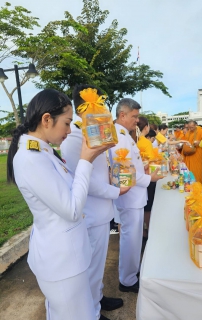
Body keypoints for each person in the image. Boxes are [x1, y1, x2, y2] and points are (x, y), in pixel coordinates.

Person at [7, 89, 112, 320]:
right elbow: (73, 210)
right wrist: (86, 160)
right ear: (46, 119)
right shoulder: (30, 158)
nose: (70, 129)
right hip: (61, 261)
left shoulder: (43, 151)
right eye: (67, 123)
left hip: (68, 257)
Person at [60, 84, 126, 320]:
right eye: (95, 104)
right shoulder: (74, 138)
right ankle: (92, 312)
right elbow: (84, 181)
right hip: (91, 213)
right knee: (90, 268)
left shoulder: (96, 132)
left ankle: (97, 298)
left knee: (97, 267)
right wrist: (115, 192)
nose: (99, 108)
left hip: (102, 213)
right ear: (82, 108)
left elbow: (101, 171)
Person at [110, 98, 163, 293]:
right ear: (122, 115)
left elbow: (131, 165)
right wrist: (150, 178)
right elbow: (123, 171)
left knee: (133, 239)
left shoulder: (123, 134)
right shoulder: (119, 136)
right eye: (134, 116)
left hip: (133, 195)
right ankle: (128, 280)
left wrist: (143, 169)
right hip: (130, 196)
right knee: (131, 239)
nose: (137, 120)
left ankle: (131, 273)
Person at [136, 117, 156, 240]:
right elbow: (150, 162)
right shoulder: (145, 142)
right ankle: (148, 230)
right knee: (147, 207)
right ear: (146, 127)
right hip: (147, 177)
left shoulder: (133, 140)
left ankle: (141, 230)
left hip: (136, 178)